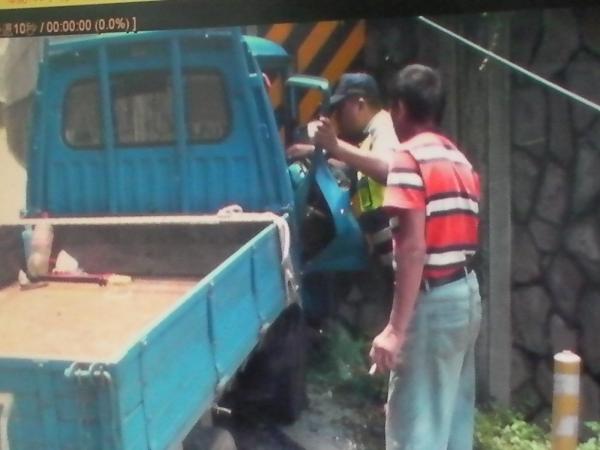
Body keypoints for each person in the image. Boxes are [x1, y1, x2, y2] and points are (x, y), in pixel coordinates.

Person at [316, 64, 482, 450]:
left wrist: (394, 330)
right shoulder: (458, 160)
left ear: (401, 109)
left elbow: (411, 249)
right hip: (466, 296)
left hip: (433, 301)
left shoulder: (410, 159)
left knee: (414, 432)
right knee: (452, 421)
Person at [288, 72, 400, 274]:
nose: (338, 116)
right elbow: (358, 164)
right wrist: (317, 152)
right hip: (385, 245)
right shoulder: (370, 135)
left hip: (397, 246)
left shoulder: (383, 127)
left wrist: (336, 145)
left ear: (359, 103)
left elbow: (386, 169)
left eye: (341, 108)